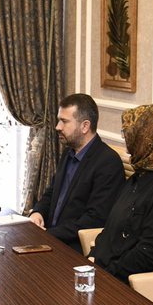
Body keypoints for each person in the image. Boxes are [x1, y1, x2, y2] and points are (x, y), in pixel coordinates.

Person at [89, 104, 153, 281]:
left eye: (131, 134)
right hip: (109, 271)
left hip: (138, 285)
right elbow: (112, 228)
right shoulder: (141, 174)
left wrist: (104, 275)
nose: (127, 140)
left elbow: (150, 254)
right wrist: (93, 258)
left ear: (150, 137)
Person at [29, 93, 125, 252]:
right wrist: (38, 212)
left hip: (74, 248)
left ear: (85, 126)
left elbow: (94, 219)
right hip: (51, 239)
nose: (57, 126)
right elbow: (52, 192)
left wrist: (49, 236)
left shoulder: (108, 162)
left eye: (64, 121)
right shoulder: (69, 152)